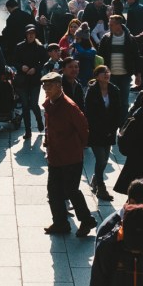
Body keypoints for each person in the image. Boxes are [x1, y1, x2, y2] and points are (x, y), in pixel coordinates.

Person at [42, 71, 96, 238]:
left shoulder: (69, 106)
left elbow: (83, 129)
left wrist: (76, 147)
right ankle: (60, 223)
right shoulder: (49, 103)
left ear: (59, 86)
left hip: (71, 157)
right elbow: (49, 127)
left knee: (71, 190)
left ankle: (87, 220)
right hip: (55, 156)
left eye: (49, 86)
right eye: (44, 86)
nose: (46, 89)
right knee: (53, 191)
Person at [84, 66, 121, 200]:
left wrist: (114, 128)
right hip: (96, 131)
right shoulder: (92, 91)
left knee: (104, 159)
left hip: (109, 131)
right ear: (96, 76)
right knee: (100, 159)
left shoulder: (114, 90)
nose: (106, 74)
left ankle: (95, 179)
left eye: (107, 72)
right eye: (102, 72)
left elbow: (118, 111)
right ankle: (101, 187)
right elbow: (88, 112)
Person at [97, 14, 139, 119]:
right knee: (111, 101)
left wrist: (138, 75)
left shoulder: (130, 39)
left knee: (124, 102)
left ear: (119, 25)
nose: (109, 27)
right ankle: (112, 122)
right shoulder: (106, 39)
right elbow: (100, 57)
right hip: (110, 76)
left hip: (125, 76)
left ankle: (123, 124)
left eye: (111, 25)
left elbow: (137, 58)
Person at [15, 26, 47, 139]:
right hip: (22, 79)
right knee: (25, 105)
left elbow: (44, 61)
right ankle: (28, 131)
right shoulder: (19, 46)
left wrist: (35, 69)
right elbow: (14, 61)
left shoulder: (40, 47)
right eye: (29, 33)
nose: (31, 35)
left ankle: (39, 120)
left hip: (35, 80)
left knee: (33, 103)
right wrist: (21, 67)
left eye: (33, 33)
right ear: (25, 34)